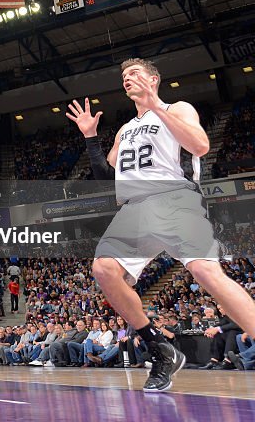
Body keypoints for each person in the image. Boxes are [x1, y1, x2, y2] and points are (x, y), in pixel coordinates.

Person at [67, 57, 255, 392]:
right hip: (135, 208)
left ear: (154, 80)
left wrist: (156, 105)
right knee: (104, 269)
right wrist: (91, 138)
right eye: (124, 75)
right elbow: (105, 181)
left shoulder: (177, 107)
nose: (128, 78)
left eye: (135, 73)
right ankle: (158, 346)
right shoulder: (125, 129)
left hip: (175, 197)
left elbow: (200, 145)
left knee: (205, 272)